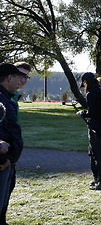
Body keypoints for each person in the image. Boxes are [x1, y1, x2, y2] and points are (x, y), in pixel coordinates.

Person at [0, 63, 27, 224]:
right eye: (19, 77)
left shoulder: (8, 98)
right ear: (9, 78)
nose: (21, 81)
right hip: (2, 162)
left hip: (9, 161)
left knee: (4, 200)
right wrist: (3, 159)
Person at [76, 72, 101, 191]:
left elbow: (92, 113)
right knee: (99, 154)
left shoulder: (91, 94)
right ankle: (98, 179)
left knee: (96, 155)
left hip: (96, 128)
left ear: (86, 82)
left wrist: (82, 113)